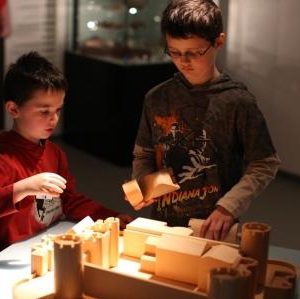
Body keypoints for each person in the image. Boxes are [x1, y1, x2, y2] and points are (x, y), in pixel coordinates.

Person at [131, 0, 280, 241]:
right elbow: (144, 154)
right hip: (162, 224)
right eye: (175, 52)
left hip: (214, 227)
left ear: (218, 42)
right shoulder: (156, 97)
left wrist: (229, 207)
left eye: (194, 52)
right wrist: (143, 184)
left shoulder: (237, 101)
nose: (183, 61)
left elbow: (265, 162)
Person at [0, 52, 132, 251]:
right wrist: (22, 188)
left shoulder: (54, 153)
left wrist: (108, 216)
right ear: (13, 109)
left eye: (58, 110)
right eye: (44, 111)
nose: (53, 119)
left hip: (44, 243)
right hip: (11, 253)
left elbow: (69, 200)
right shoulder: (4, 157)